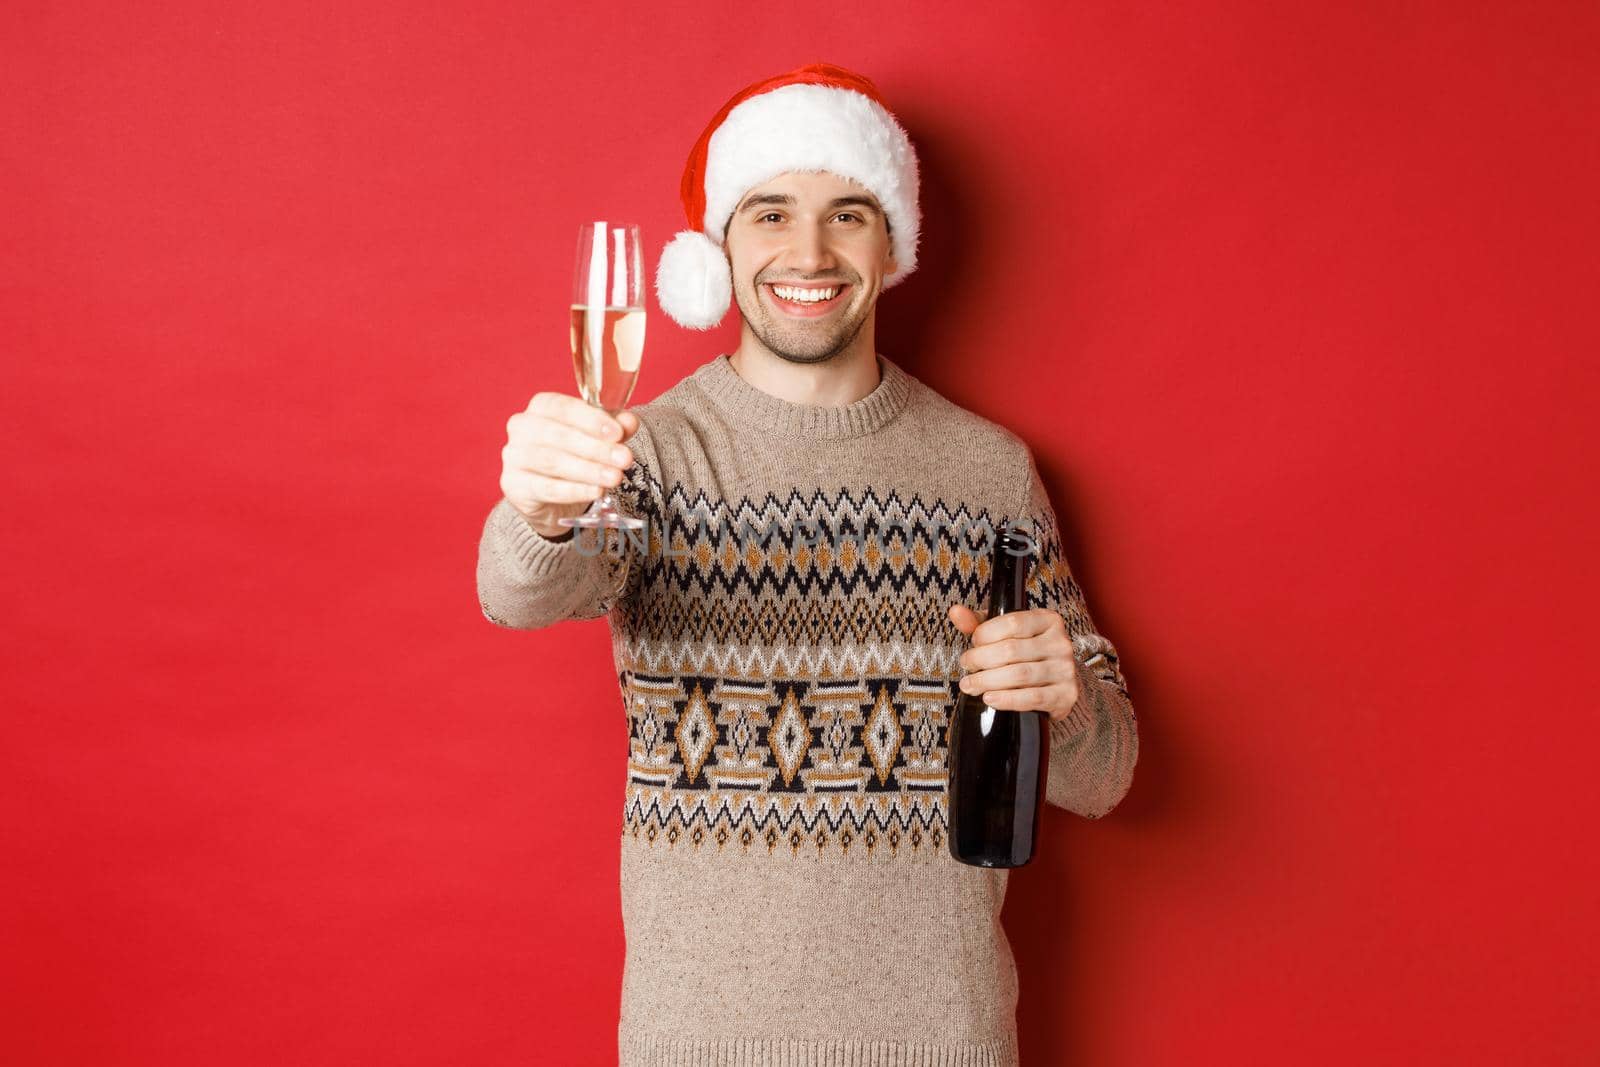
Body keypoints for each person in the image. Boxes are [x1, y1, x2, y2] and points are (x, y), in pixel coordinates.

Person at [476, 62, 1138, 1067]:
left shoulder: (989, 472)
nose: (809, 250)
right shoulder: (645, 452)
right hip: (697, 1041)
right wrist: (539, 508)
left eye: (848, 214)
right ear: (720, 250)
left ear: (892, 244)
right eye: (771, 212)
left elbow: (1106, 775)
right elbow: (518, 591)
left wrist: (1072, 699)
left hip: (941, 1037)